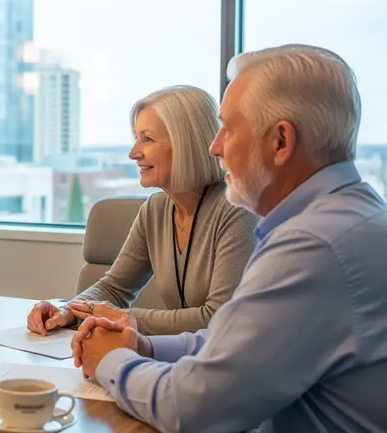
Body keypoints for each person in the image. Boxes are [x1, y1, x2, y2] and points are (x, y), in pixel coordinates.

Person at [72, 44, 387, 432]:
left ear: (281, 142)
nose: (215, 146)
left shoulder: (312, 247)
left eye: (229, 128)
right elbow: (236, 343)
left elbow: (190, 407)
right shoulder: (349, 217)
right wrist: (146, 346)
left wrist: (110, 361)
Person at [27, 86, 258, 337]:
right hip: (181, 358)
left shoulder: (237, 210)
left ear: (186, 144)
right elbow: (115, 289)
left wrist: (125, 318)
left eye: (146, 139)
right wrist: (66, 311)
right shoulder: (156, 210)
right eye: (135, 138)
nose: (133, 153)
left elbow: (218, 318)